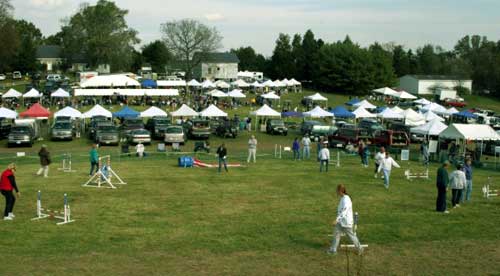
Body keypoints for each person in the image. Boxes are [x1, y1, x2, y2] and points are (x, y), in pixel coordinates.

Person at [327, 184, 363, 255]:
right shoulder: (343, 198)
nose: (336, 192)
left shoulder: (346, 199)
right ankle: (333, 250)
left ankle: (360, 248)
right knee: (336, 233)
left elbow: (344, 211)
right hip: (341, 221)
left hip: (346, 222)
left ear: (340, 191)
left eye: (337, 190)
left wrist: (336, 220)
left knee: (351, 236)